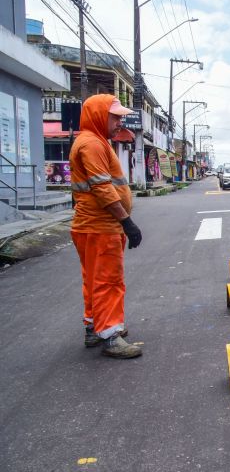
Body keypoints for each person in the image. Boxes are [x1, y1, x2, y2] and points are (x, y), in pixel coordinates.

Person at [69, 94, 143, 359]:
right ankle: (110, 336)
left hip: (91, 225)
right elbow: (102, 188)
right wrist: (127, 221)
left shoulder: (92, 141)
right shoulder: (92, 144)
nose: (119, 122)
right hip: (101, 226)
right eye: (115, 117)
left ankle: (93, 328)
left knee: (93, 280)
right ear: (100, 115)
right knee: (108, 282)